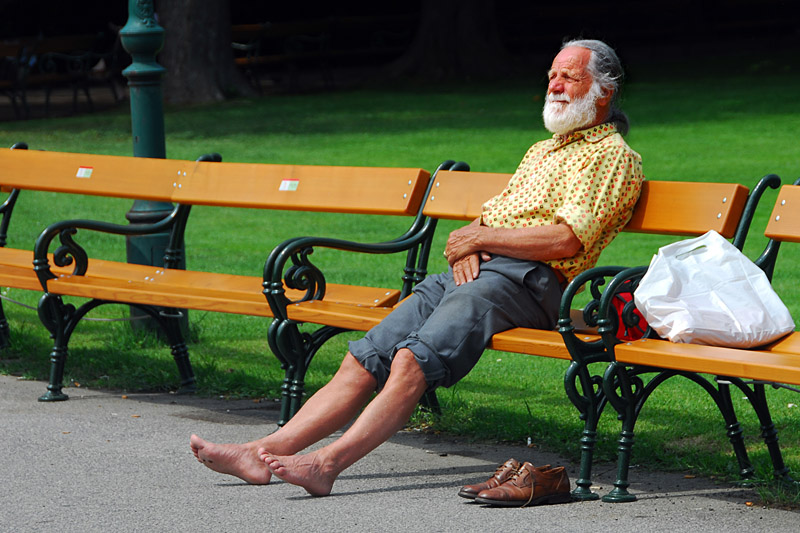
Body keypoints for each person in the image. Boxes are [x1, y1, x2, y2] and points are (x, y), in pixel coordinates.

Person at [190, 38, 645, 501]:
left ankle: (326, 465)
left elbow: (566, 239)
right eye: (552, 74)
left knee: (412, 359)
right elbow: (492, 217)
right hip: (478, 275)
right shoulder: (541, 151)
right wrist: (464, 242)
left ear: (603, 92)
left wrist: (478, 239)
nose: (555, 84)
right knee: (366, 356)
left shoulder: (611, 156)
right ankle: (260, 451)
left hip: (533, 284)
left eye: (569, 76)